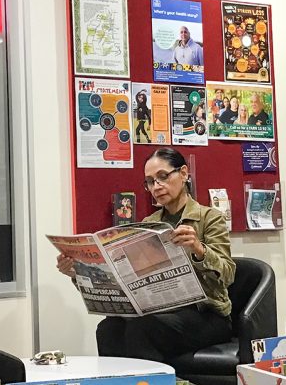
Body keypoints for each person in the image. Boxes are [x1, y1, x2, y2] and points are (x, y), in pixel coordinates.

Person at [57, 147, 235, 362]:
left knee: (144, 329)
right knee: (108, 328)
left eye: (162, 177)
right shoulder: (147, 225)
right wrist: (79, 273)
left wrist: (199, 249)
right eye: (150, 182)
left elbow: (228, 274)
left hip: (206, 315)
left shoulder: (209, 218)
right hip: (162, 311)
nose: (157, 186)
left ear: (184, 173)